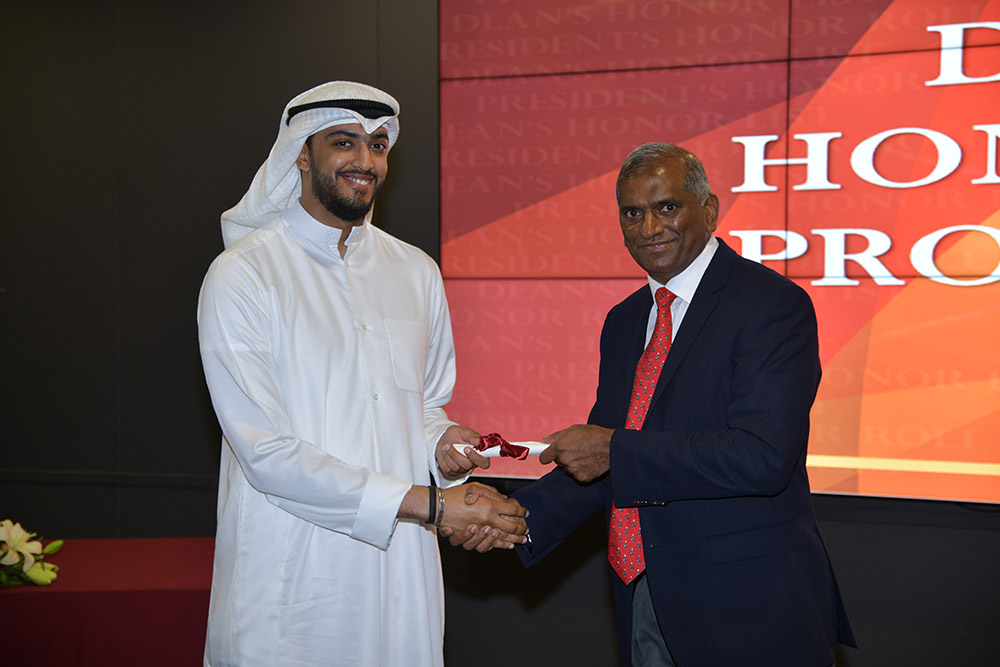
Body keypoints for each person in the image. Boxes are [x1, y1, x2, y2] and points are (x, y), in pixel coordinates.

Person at [452, 143, 856, 666]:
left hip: (750, 609)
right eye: (632, 213)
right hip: (642, 596)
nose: (649, 228)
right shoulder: (624, 321)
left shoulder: (772, 305)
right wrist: (516, 520)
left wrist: (614, 449)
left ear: (708, 210)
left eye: (667, 207)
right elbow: (602, 465)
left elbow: (763, 456)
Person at [197, 81, 526, 667]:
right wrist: (433, 506)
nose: (365, 161)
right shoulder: (243, 275)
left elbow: (423, 408)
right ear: (302, 153)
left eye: (377, 145)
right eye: (344, 142)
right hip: (293, 571)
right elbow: (265, 452)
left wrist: (441, 444)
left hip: (400, 569)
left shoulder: (415, 271)